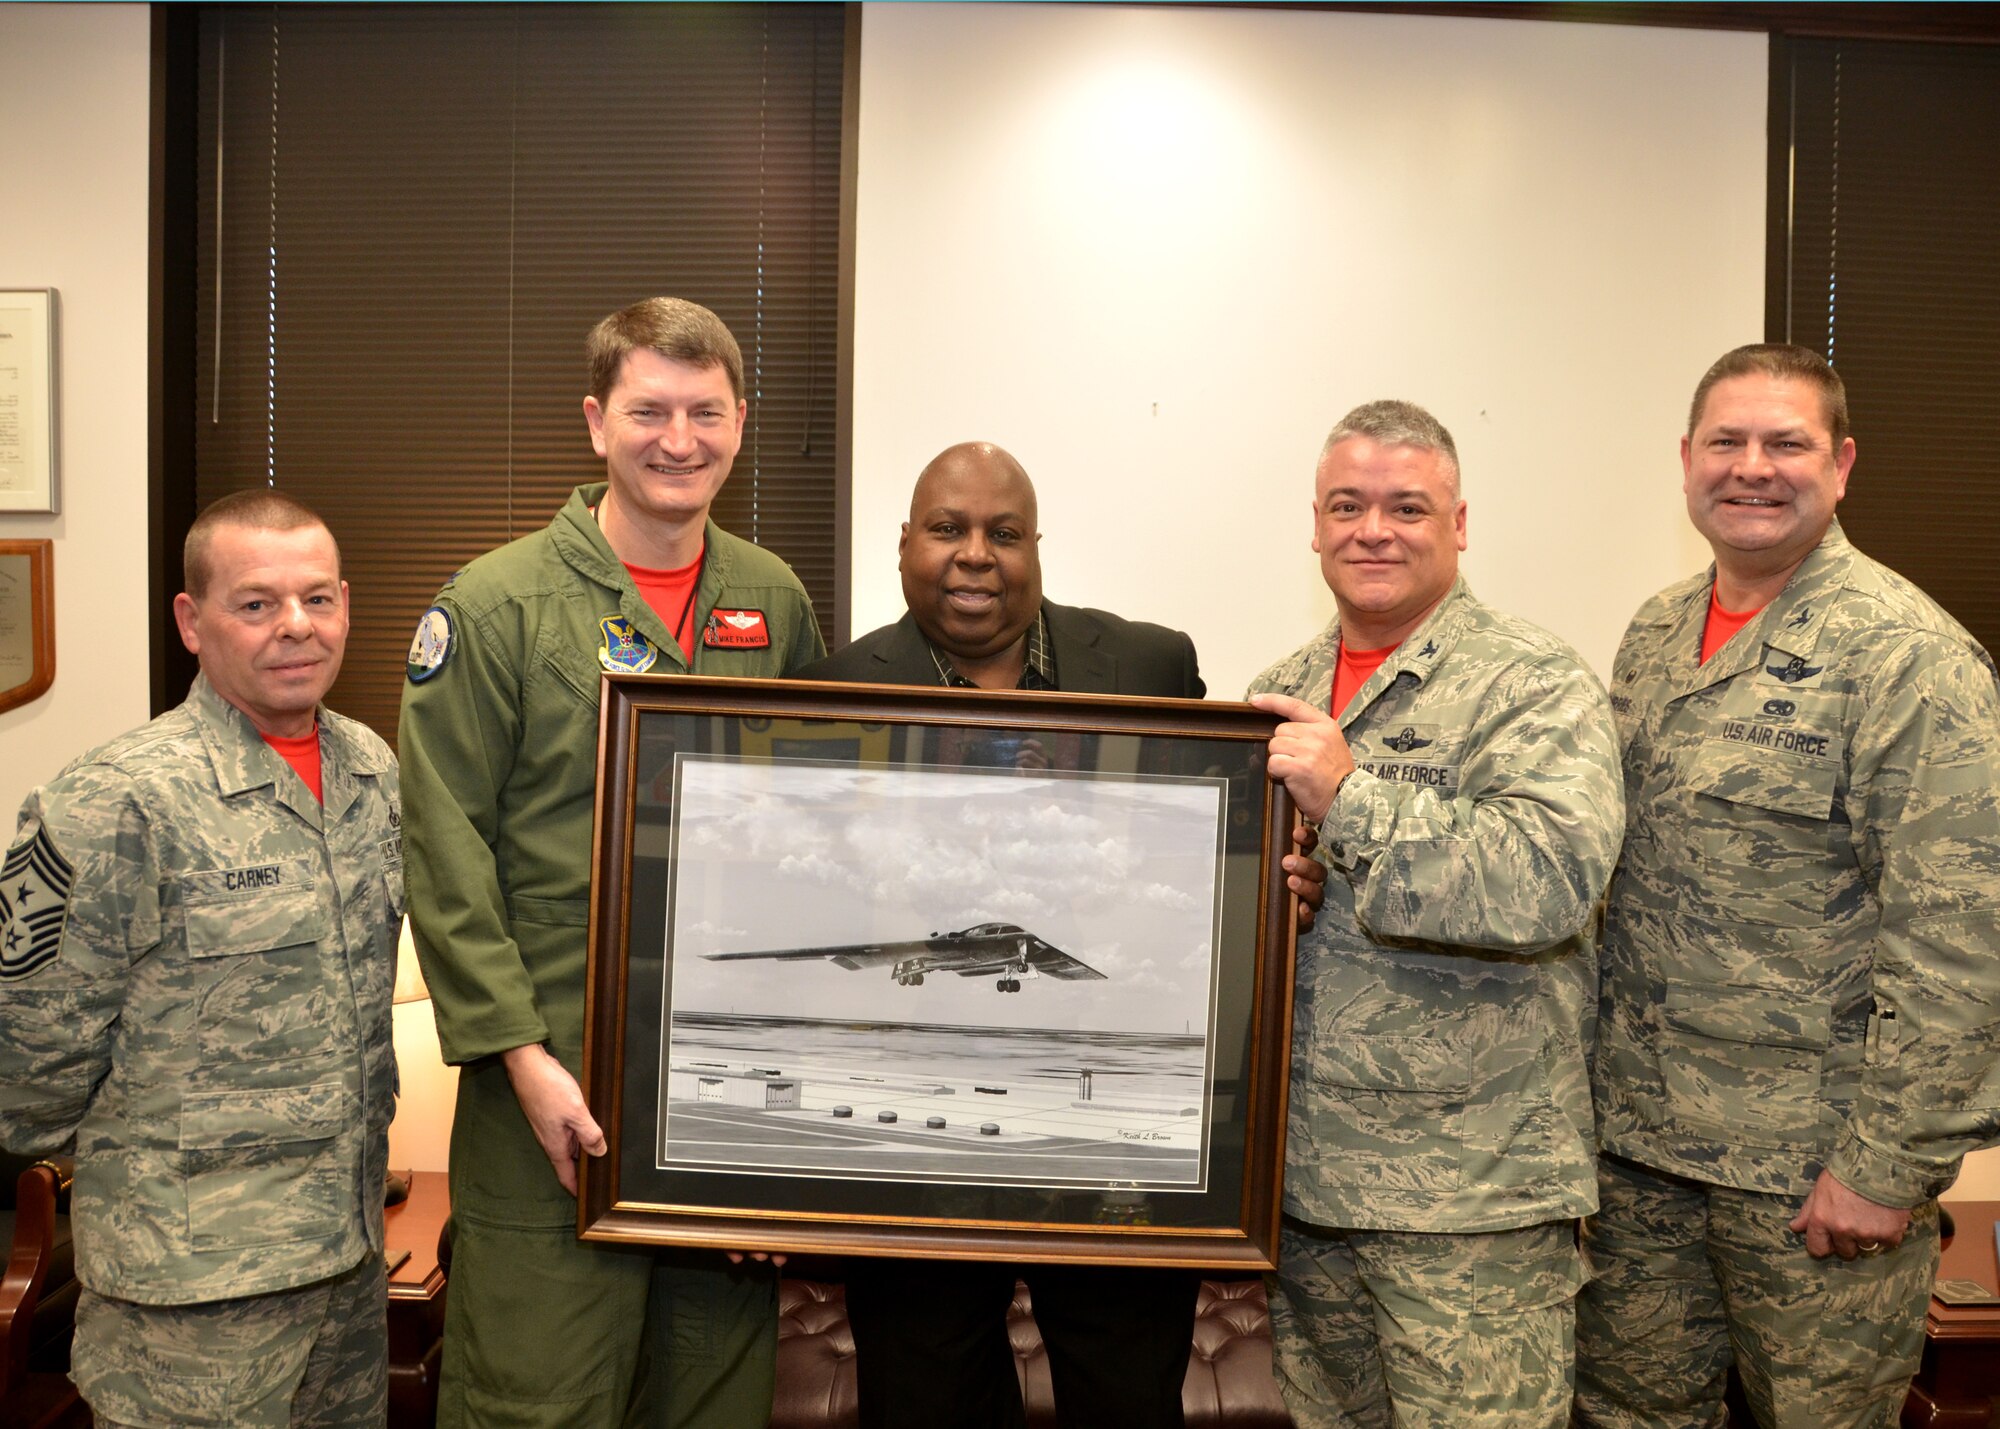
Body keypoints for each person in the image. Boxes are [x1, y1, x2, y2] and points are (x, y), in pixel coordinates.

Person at [798, 440, 1325, 1429]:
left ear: (1037, 546)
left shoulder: (1147, 664)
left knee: (1124, 1397)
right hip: (916, 1138)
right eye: (946, 528)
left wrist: (1272, 894)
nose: (974, 555)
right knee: (925, 1401)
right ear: (901, 542)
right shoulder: (825, 688)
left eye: (1002, 532)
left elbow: (1208, 851)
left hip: (1113, 1122)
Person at [399, 296, 825, 1428]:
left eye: (703, 411)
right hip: (551, 1074)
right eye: (648, 410)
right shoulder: (494, 606)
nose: (676, 438)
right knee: (540, 1391)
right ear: (595, 422)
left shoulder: (773, 602)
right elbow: (444, 853)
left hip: (727, 1073)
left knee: (710, 1386)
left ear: (740, 422)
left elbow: (817, 836)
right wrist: (520, 1059)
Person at [1574, 344, 2000, 1429]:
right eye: (1725, 441)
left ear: (1841, 463)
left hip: (1810, 1180)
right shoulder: (1654, 635)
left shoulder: (1905, 655)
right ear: (1684, 461)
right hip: (1638, 1159)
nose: (1751, 467)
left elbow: (1957, 934)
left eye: (1786, 443)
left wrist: (1886, 1164)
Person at [1246, 400, 1623, 1428]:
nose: (1374, 529)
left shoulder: (1532, 684)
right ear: (1313, 525)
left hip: (1472, 1210)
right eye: (1347, 505)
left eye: (1406, 506)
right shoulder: (1277, 694)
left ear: (1457, 525)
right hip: (1305, 1196)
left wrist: (1351, 800)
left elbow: (1550, 881)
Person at [0, 490, 398, 1426]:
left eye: (317, 599)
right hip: (190, 1300)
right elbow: (27, 1064)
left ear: (346, 603)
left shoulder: (372, 770)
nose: (295, 627)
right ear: (192, 619)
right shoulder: (114, 800)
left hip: (345, 1270)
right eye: (255, 603)